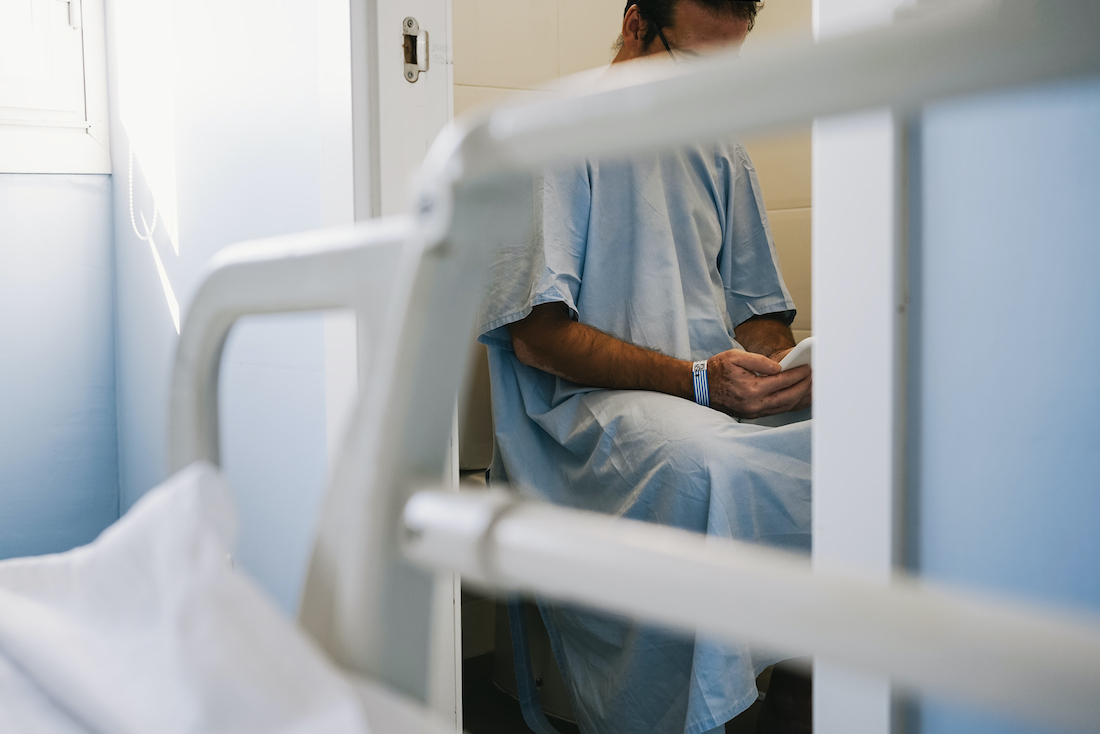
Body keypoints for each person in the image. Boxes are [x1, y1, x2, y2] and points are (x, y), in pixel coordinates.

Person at [477, 2, 812, 732]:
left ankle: (795, 668)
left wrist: (787, 370)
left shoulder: (718, 147)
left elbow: (761, 316)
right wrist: (696, 378)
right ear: (635, 26)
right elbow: (540, 339)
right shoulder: (557, 137)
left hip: (706, 393)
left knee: (844, 440)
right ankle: (706, 707)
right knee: (708, 469)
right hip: (580, 408)